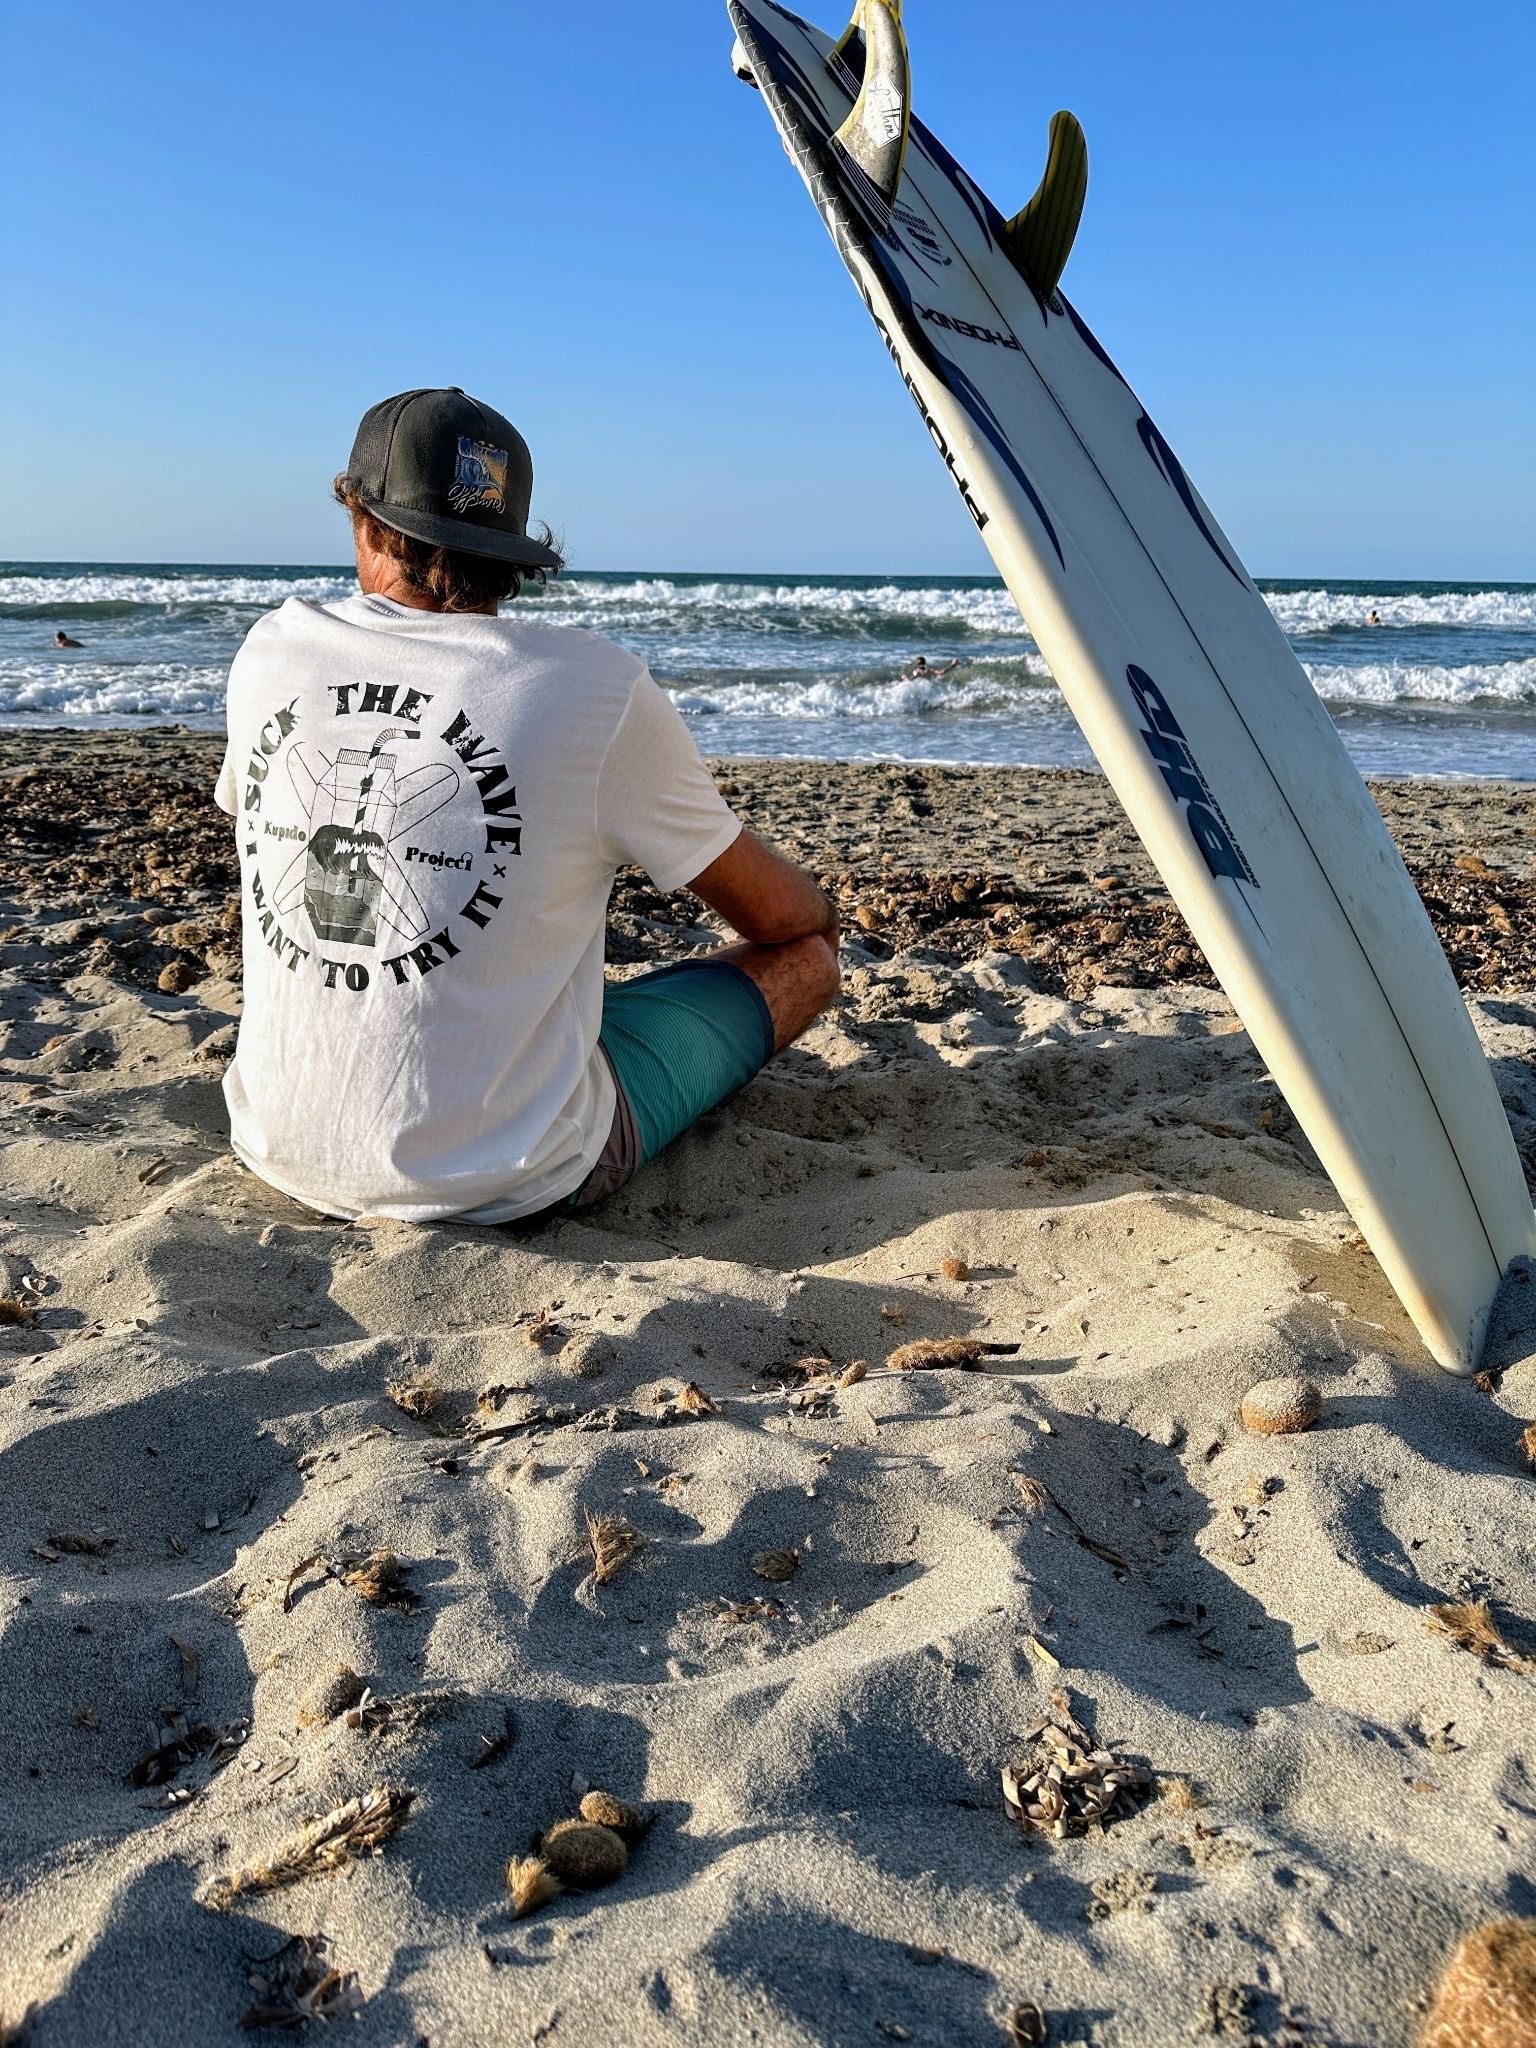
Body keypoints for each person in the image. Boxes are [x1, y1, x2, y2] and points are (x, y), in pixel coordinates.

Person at [214, 386, 839, 1224]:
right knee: (809, 958)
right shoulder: (590, 687)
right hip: (508, 1179)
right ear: (510, 547)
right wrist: (823, 914)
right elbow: (777, 917)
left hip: (276, 1143)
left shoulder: (272, 651)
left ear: (365, 520)